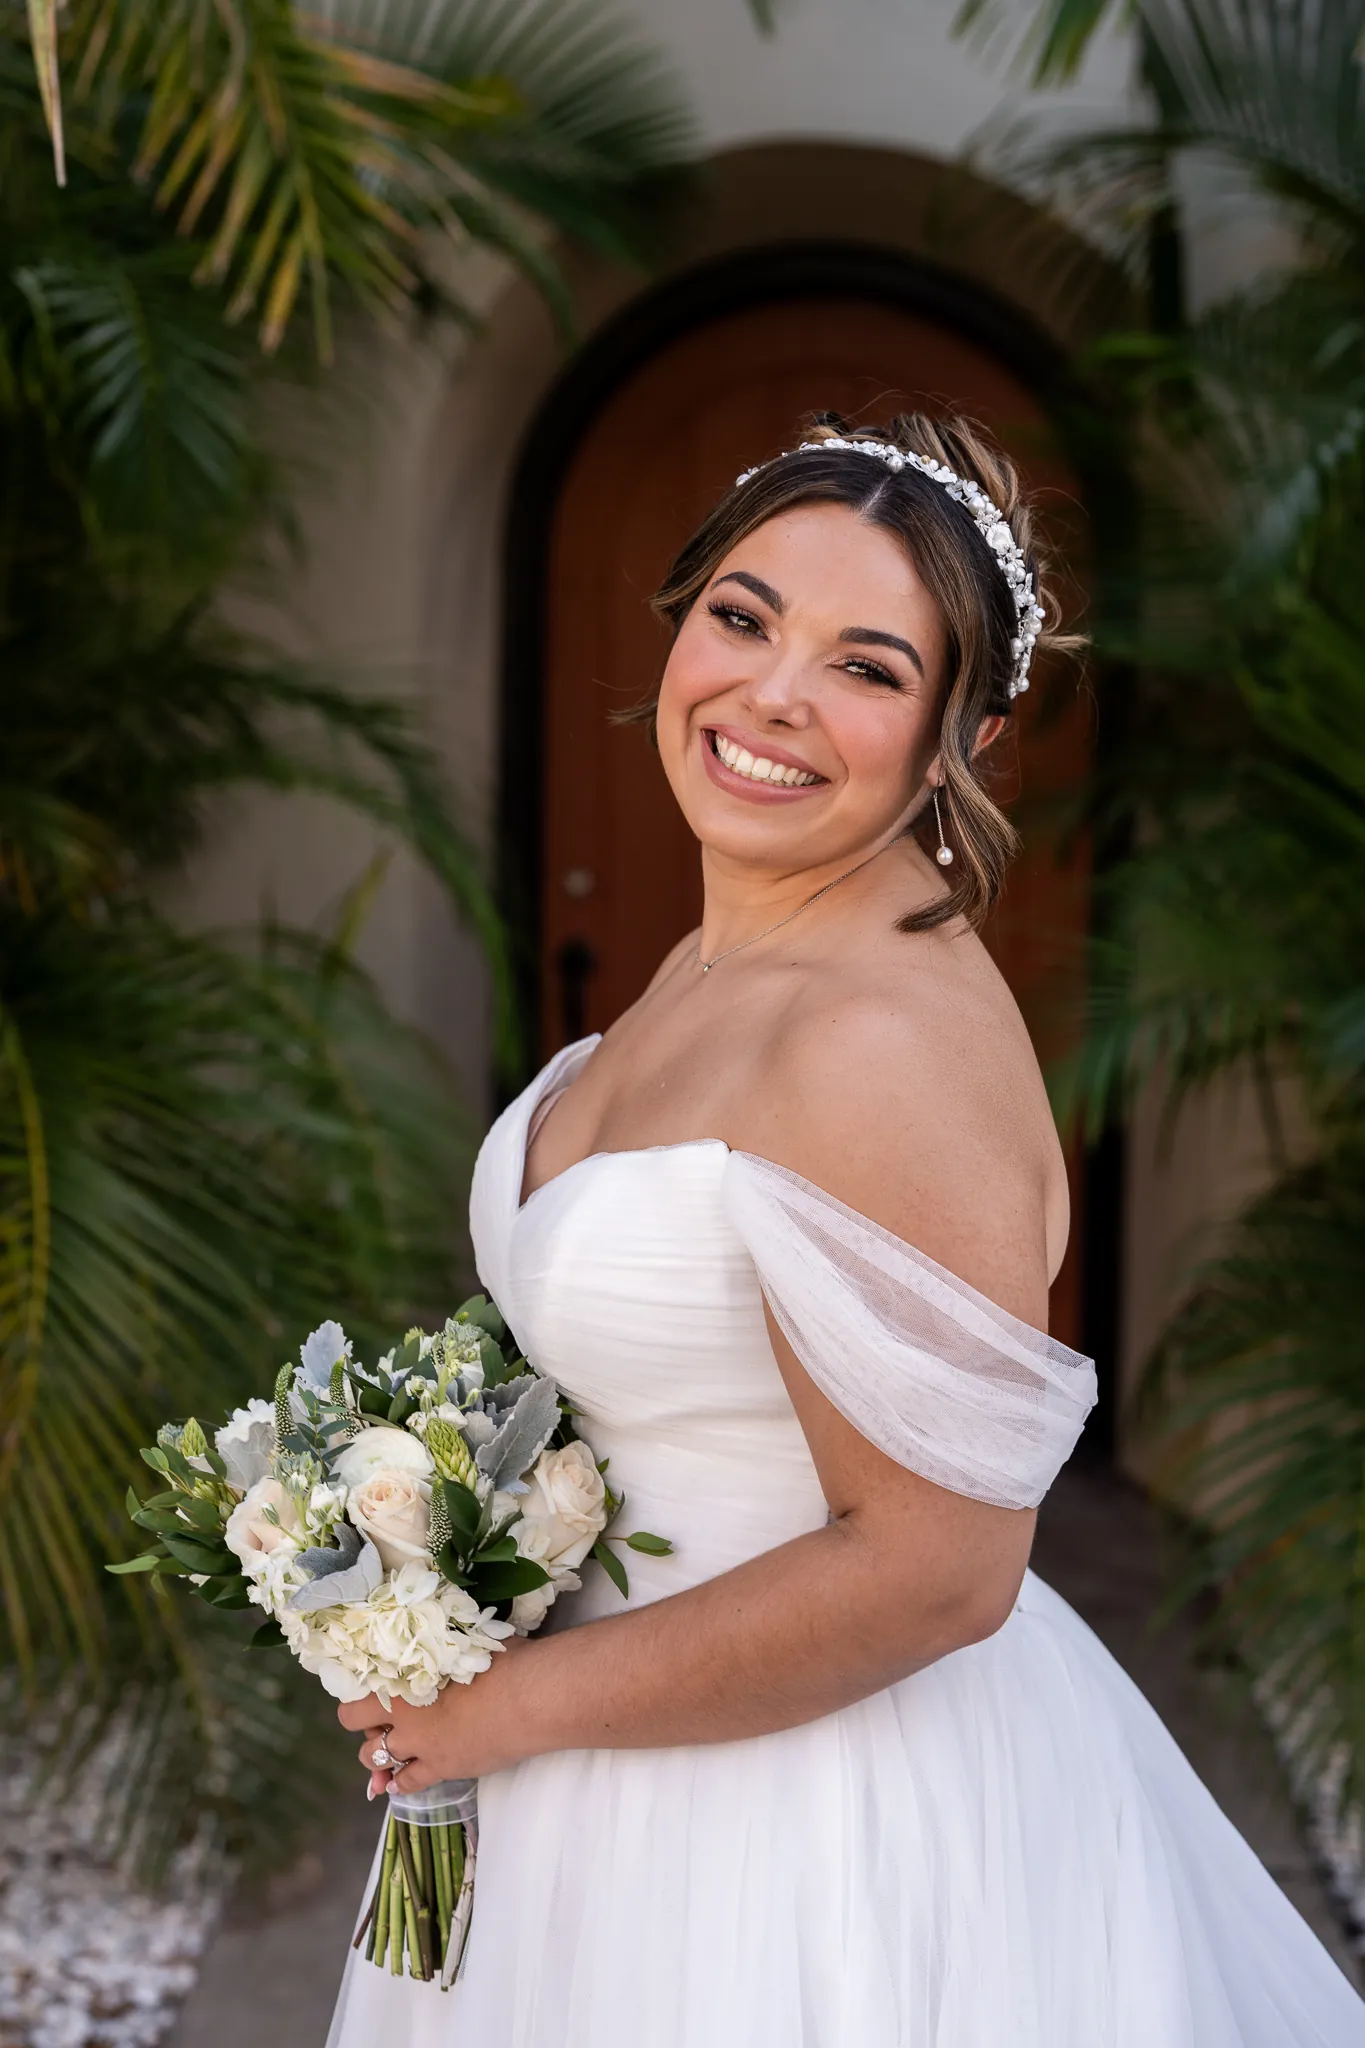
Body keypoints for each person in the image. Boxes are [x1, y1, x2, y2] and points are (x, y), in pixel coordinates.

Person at [327, 416, 1364, 2045]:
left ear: (968, 732)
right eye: (742, 619)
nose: (773, 696)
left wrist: (503, 1709)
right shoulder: (720, 954)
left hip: (792, 1832)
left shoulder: (880, 1039)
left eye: (867, 667)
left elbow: (936, 1571)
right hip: (602, 1753)